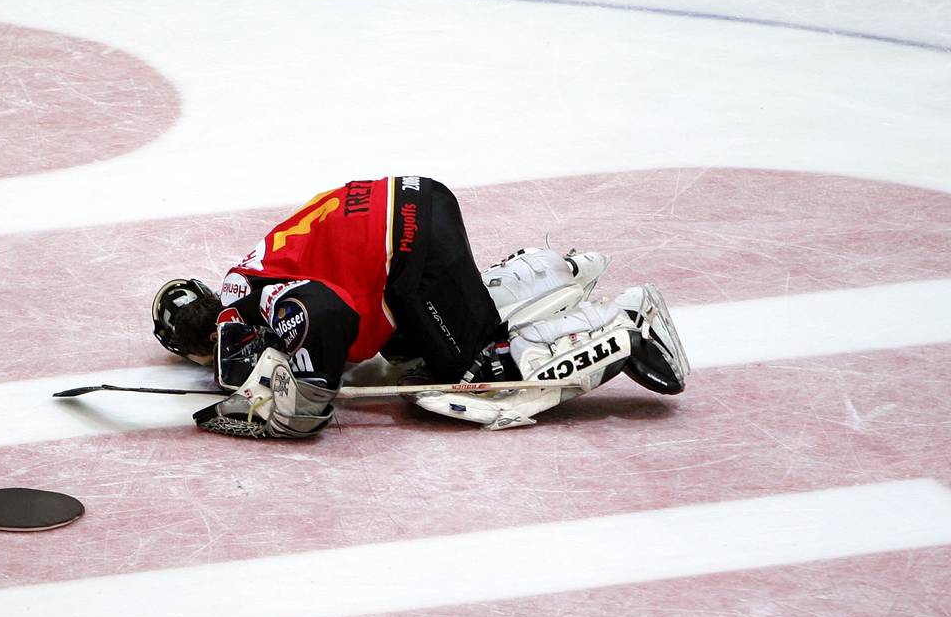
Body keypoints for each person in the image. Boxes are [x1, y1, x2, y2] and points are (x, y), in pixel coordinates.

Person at [153, 176, 690, 438]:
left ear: (185, 347)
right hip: (415, 204)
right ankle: (553, 271)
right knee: (418, 347)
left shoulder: (235, 317)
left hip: (404, 248)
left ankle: (626, 324)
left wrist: (298, 408)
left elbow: (321, 315)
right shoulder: (257, 266)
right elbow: (336, 303)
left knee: (475, 371)